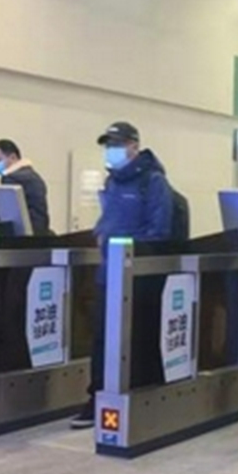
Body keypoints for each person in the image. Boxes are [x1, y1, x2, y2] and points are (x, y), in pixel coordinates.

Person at [70, 121, 174, 429]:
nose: (110, 151)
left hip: (136, 276)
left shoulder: (153, 182)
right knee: (101, 337)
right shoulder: (113, 182)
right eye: (107, 145)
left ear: (133, 146)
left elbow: (159, 231)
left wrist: (125, 247)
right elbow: (109, 220)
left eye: (116, 144)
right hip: (107, 273)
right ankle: (98, 397)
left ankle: (141, 393)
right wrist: (102, 235)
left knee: (138, 336)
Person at [0, 139, 50, 236]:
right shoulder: (35, 177)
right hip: (39, 235)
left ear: (13, 157)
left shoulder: (14, 178)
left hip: (24, 238)